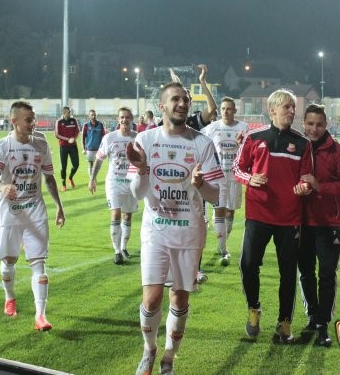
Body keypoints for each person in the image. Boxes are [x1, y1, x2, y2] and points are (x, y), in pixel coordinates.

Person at [127, 82, 223, 375]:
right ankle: (149, 350)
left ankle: (169, 357)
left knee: (179, 298)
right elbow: (136, 193)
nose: (182, 104)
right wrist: (142, 170)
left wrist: (200, 184)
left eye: (185, 100)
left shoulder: (202, 143)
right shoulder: (145, 139)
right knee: (151, 298)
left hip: (189, 232)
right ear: (162, 106)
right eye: (175, 99)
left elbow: (216, 196)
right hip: (155, 230)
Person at [232, 88, 313, 343]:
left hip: (289, 217)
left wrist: (304, 186)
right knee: (248, 264)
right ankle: (253, 308)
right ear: (272, 110)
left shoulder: (303, 143)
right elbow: (237, 167)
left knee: (288, 271)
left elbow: (307, 177)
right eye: (286, 106)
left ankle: (284, 322)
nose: (292, 111)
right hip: (258, 213)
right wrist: (249, 178)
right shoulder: (254, 137)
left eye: (293, 107)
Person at [0, 101, 66, 331]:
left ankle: (41, 315)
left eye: (34, 119)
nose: (33, 123)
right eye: (28, 120)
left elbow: (49, 178)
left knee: (39, 264)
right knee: (8, 262)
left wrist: (59, 206)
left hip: (35, 211)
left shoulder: (41, 144)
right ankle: (9, 297)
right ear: (14, 121)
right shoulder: (2, 146)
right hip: (9, 213)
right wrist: (2, 187)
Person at [297, 103, 340, 347]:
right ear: (303, 124)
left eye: (319, 124)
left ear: (326, 125)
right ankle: (312, 316)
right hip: (300, 221)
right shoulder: (296, 148)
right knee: (305, 273)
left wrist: (319, 186)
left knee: (326, 274)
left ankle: (323, 323)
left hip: (328, 223)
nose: (314, 129)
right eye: (310, 124)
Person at [88, 107, 138, 265]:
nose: (124, 120)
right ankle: (116, 251)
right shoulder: (109, 138)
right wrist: (92, 179)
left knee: (127, 216)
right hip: (114, 182)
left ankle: (123, 247)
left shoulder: (138, 138)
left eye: (127, 117)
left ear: (132, 119)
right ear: (118, 119)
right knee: (115, 214)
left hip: (131, 182)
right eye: (122, 117)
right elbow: (99, 160)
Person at [201, 97, 248, 266]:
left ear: (235, 110)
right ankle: (223, 249)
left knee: (230, 213)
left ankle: (222, 241)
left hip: (234, 177)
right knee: (220, 211)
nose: (225, 112)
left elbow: (249, 150)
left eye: (229, 109)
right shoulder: (212, 128)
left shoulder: (244, 128)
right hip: (217, 176)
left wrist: (242, 144)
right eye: (223, 109)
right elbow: (200, 144)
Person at [54, 106, 80, 192]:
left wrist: (74, 139)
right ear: (64, 113)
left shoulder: (74, 120)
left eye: (70, 112)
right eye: (68, 112)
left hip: (73, 146)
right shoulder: (59, 122)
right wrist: (68, 139)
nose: (70, 114)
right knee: (63, 167)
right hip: (63, 146)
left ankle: (70, 178)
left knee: (76, 165)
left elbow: (77, 131)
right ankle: (63, 184)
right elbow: (57, 134)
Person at [82, 109, 107, 179]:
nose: (93, 116)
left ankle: (94, 176)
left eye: (95, 115)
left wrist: (103, 147)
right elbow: (83, 137)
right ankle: (92, 179)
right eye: (92, 115)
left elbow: (104, 136)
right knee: (90, 163)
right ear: (89, 116)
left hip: (99, 149)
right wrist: (83, 148)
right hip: (89, 148)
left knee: (98, 165)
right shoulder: (86, 125)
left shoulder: (100, 124)